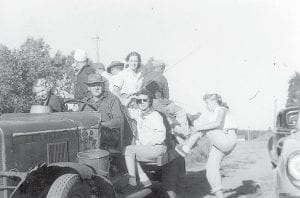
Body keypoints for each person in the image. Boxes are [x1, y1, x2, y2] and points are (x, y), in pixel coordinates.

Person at [175, 93, 238, 198]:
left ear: (214, 101)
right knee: (211, 170)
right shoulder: (213, 113)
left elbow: (217, 123)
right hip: (220, 143)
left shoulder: (221, 109)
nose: (206, 106)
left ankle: (186, 148)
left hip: (227, 139)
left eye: (207, 103)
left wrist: (198, 129)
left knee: (202, 127)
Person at [121, 90, 167, 193]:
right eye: (139, 101)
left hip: (157, 147)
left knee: (128, 150)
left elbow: (161, 135)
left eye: (144, 100)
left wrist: (147, 145)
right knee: (130, 155)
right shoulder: (140, 114)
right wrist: (130, 99)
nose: (141, 103)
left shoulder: (155, 115)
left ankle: (132, 183)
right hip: (148, 148)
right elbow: (123, 109)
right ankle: (145, 182)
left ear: (150, 101)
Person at [79, 74, 124, 150]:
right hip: (88, 134)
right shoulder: (84, 102)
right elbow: (77, 118)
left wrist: (100, 125)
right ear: (89, 88)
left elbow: (119, 120)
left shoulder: (112, 99)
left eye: (98, 85)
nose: (96, 88)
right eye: (93, 85)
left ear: (102, 86)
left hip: (108, 134)